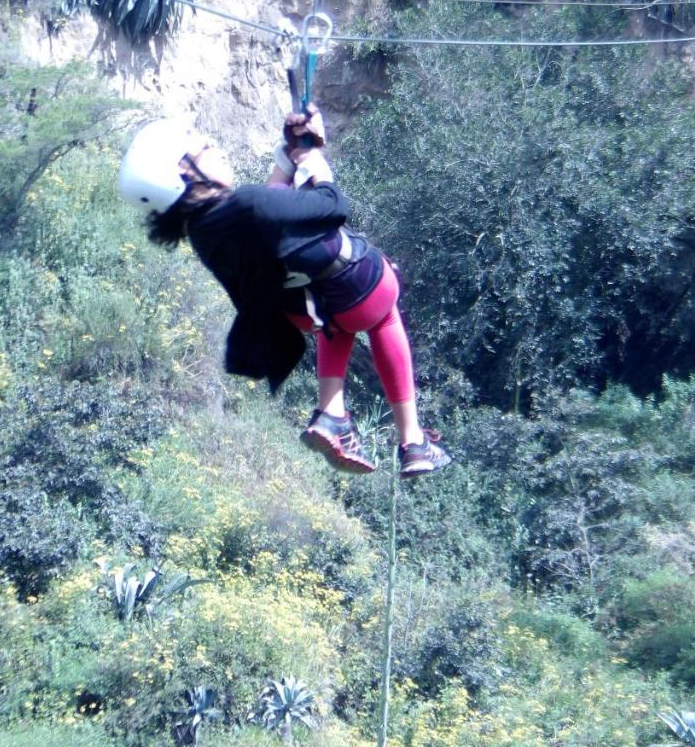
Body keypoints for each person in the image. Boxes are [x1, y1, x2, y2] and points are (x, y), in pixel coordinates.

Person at [117, 106, 450, 478]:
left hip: (304, 312)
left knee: (334, 321)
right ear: (184, 173)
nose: (218, 149)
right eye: (206, 148)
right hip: (361, 285)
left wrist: (287, 153)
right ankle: (412, 439)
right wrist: (311, 158)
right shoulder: (249, 203)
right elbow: (331, 205)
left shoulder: (205, 233)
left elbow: (274, 210)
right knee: (383, 316)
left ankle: (332, 414)